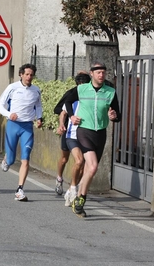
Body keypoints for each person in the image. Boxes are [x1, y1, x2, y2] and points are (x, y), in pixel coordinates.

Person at [65, 62, 121, 217]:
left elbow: (118, 115)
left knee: (90, 169)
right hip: (84, 131)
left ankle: (77, 196)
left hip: (100, 133)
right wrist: (72, 116)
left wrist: (114, 117)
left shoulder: (110, 92)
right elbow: (67, 101)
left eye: (103, 72)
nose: (101, 75)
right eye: (98, 73)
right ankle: (81, 199)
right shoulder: (81, 89)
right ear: (91, 74)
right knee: (94, 166)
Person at [0, 63, 43, 201]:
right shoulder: (12, 88)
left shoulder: (36, 90)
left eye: (31, 75)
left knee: (25, 159)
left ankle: (19, 189)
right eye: (27, 74)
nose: (29, 77)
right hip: (13, 125)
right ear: (21, 74)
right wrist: (9, 114)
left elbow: (38, 105)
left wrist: (39, 118)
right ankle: (7, 158)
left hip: (27, 127)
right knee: (11, 160)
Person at [55, 72, 90, 206]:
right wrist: (61, 125)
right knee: (65, 159)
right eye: (80, 85)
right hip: (70, 134)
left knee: (80, 163)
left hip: (85, 136)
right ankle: (59, 178)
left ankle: (72, 188)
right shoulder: (72, 97)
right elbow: (63, 112)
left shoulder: (92, 98)